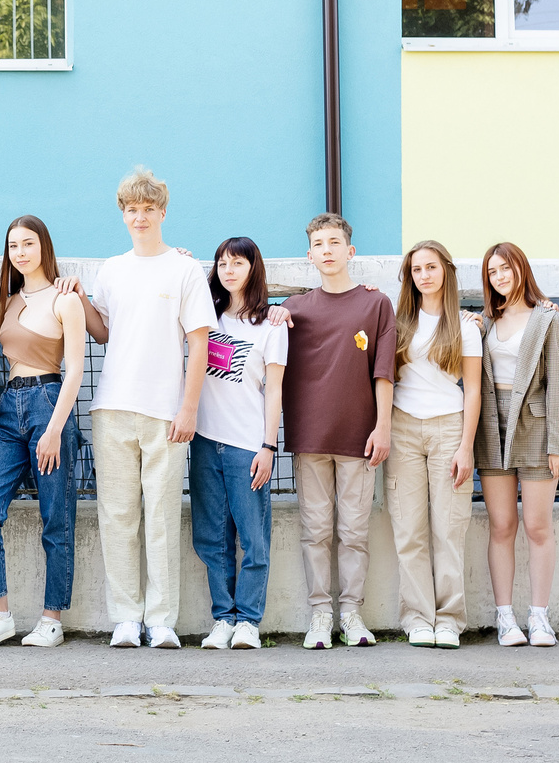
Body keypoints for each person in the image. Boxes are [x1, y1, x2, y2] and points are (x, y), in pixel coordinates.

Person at [78, 169, 213, 649]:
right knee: (117, 516)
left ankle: (161, 620)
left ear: (162, 213)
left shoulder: (184, 269)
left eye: (148, 209)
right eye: (131, 210)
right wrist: (78, 298)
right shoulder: (110, 270)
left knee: (160, 517)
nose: (139, 217)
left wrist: (189, 408)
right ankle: (126, 619)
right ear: (123, 213)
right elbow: (105, 332)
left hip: (165, 411)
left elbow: (199, 345)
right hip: (111, 406)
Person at [272, 212, 394, 650]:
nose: (327, 250)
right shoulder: (293, 309)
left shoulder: (376, 304)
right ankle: (320, 615)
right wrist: (272, 313)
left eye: (334, 242)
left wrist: (383, 426)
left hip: (360, 437)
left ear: (350, 251)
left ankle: (352, 614)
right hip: (310, 437)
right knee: (316, 529)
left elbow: (383, 371)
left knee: (355, 531)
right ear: (310, 255)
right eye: (319, 244)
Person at [0, 215, 86, 650]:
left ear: (43, 247)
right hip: (8, 408)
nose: (20, 252)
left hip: (49, 403)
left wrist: (54, 429)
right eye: (13, 245)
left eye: (28, 244)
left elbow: (75, 368)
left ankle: (52, 618)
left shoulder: (64, 299)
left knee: (57, 516)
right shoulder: (8, 301)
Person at [190, 237, 286, 651]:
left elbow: (275, 392)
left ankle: (249, 620)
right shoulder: (203, 315)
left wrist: (268, 446)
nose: (229, 270)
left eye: (238, 263)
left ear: (253, 269)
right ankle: (223, 618)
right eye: (222, 263)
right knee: (211, 537)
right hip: (205, 441)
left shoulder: (272, 326)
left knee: (252, 537)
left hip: (248, 444)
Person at [474, 242, 559, 648]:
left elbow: (558, 384)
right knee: (501, 526)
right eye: (493, 271)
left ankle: (539, 617)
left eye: (506, 269)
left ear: (521, 270)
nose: (500, 277)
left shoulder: (546, 319)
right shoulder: (482, 322)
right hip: (491, 427)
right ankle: (505, 618)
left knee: (537, 525)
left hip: (536, 428)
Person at [388, 241, 481, 649]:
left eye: (431, 267)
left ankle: (449, 618)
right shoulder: (397, 322)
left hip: (449, 428)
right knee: (409, 529)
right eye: (416, 269)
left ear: (446, 270)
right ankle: (418, 618)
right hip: (402, 428)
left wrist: (465, 447)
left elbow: (474, 391)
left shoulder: (464, 325)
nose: (424, 275)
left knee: (448, 528)